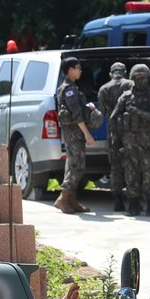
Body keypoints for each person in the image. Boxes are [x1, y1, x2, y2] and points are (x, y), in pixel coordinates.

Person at [114, 64, 150, 216]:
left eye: (143, 78)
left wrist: (140, 113)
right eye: (137, 78)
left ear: (148, 78)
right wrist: (117, 138)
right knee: (131, 173)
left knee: (149, 172)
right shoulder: (125, 97)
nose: (140, 80)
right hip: (129, 141)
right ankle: (134, 204)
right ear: (132, 79)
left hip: (146, 141)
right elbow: (114, 118)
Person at [54, 57, 97, 215]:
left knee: (74, 165)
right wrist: (87, 134)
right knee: (77, 166)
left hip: (73, 132)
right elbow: (76, 114)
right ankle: (63, 198)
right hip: (74, 133)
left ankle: (71, 200)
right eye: (78, 68)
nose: (80, 70)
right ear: (70, 70)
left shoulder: (71, 87)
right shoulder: (68, 89)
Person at [98, 62, 132, 211]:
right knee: (132, 166)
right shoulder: (131, 85)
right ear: (125, 72)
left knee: (116, 168)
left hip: (113, 133)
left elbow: (104, 112)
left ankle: (118, 201)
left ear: (111, 73)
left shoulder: (104, 89)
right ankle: (133, 201)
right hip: (131, 132)